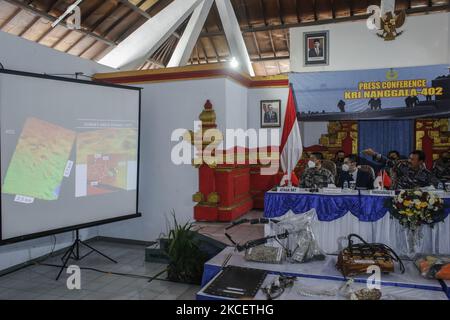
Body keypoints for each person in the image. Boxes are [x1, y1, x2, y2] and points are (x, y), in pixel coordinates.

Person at [363, 149, 440, 189]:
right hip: (398, 198)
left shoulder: (426, 174)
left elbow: (437, 185)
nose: (409, 161)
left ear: (421, 161)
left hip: (417, 201)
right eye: (409, 158)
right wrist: (374, 154)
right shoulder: (402, 165)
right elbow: (387, 161)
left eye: (413, 159)